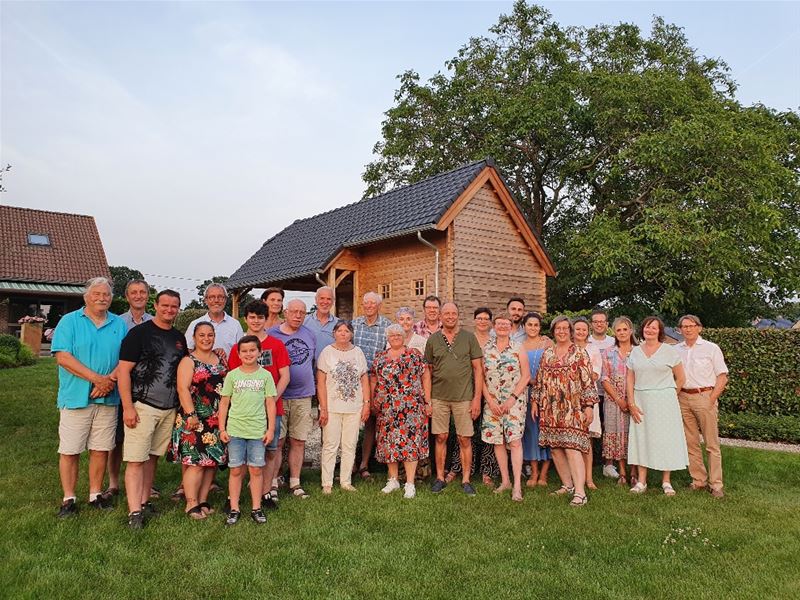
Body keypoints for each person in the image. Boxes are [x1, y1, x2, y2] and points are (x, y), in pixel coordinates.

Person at [51, 277, 127, 517]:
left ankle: (95, 494)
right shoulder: (70, 321)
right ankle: (69, 499)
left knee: (101, 448)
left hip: (108, 397)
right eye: (97, 294)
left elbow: (125, 359)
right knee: (71, 449)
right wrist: (97, 379)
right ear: (86, 297)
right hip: (76, 397)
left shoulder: (118, 323)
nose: (102, 298)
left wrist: (108, 382)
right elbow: (63, 357)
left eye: (106, 295)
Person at [117, 290, 188, 529]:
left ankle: (145, 501)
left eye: (174, 306)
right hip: (142, 406)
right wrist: (128, 406)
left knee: (152, 458)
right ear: (155, 305)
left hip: (169, 409)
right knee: (136, 460)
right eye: (165, 305)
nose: (169, 310)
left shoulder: (179, 338)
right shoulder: (139, 334)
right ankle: (134, 512)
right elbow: (124, 371)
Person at [229, 301, 291, 510]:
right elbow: (232, 379)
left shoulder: (276, 345)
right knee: (243, 453)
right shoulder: (240, 347)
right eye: (252, 317)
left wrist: (271, 399)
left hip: (272, 408)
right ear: (246, 319)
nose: (256, 321)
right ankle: (236, 496)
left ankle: (265, 492)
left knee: (270, 450)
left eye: (260, 317)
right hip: (245, 412)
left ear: (267, 319)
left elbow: (285, 376)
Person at [532, 316, 598, 507]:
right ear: (553, 332)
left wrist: (589, 406)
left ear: (570, 331)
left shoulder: (579, 353)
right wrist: (536, 402)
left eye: (564, 328)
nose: (561, 332)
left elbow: (587, 381)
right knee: (555, 448)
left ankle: (580, 492)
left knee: (572, 447)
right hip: (550, 408)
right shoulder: (548, 353)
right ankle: (567, 485)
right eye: (557, 329)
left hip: (573, 408)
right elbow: (540, 379)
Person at [169, 322, 227, 519]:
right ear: (194, 337)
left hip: (215, 418)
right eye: (201, 335)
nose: (206, 339)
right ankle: (191, 504)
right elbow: (182, 388)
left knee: (211, 461)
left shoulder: (219, 359)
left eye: (210, 335)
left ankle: (203, 500)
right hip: (194, 417)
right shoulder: (188, 361)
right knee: (195, 462)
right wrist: (191, 414)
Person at [425, 302, 483, 496]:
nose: (450, 316)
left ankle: (466, 480)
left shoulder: (469, 338)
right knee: (441, 437)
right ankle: (440, 477)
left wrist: (476, 399)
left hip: (464, 397)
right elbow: (428, 371)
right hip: (439, 397)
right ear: (440, 316)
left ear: (459, 315)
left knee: (464, 438)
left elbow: (478, 369)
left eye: (453, 313)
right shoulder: (433, 340)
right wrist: (428, 400)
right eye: (446, 313)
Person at [627, 316, 688, 496]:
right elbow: (630, 379)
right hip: (641, 400)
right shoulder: (635, 352)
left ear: (660, 331)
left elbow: (681, 378)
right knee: (642, 438)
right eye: (647, 327)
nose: (650, 330)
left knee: (665, 439)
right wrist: (631, 402)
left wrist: (669, 395)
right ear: (642, 330)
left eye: (654, 328)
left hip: (665, 402)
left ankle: (666, 481)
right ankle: (641, 481)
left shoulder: (669, 351)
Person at [219, 336, 277, 525]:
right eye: (244, 351)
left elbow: (270, 403)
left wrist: (270, 429)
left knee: (256, 469)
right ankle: (234, 508)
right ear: (238, 353)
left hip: (257, 431)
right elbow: (224, 402)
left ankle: (256, 508)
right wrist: (222, 428)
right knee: (235, 470)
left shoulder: (265, 375)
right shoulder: (232, 375)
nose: (248, 354)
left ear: (259, 352)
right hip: (235, 429)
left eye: (252, 350)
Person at [105, 278, 153, 501]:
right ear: (127, 296)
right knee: (116, 439)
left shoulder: (154, 322)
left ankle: (145, 483)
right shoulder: (116, 323)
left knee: (145, 440)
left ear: (147, 295)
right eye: (133, 292)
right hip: (120, 385)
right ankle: (114, 483)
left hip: (146, 388)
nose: (138, 296)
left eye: (142, 292)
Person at [372, 324, 431, 499]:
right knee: (389, 443)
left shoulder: (414, 355)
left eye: (399, 334)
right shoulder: (380, 357)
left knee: (410, 444)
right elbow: (373, 377)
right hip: (387, 408)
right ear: (387, 338)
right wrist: (373, 401)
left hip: (411, 407)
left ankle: (410, 483)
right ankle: (393, 480)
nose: (396, 337)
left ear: (404, 336)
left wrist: (428, 400)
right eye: (392, 335)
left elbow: (426, 375)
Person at [675, 314, 728, 498]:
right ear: (680, 329)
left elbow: (722, 376)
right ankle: (698, 480)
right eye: (684, 326)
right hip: (683, 398)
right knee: (691, 442)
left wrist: (712, 398)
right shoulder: (676, 350)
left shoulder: (711, 348)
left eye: (691, 326)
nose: (688, 329)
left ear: (699, 328)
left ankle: (716, 484)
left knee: (711, 444)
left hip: (704, 396)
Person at [268, 298, 316, 499]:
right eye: (294, 312)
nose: (298, 316)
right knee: (277, 442)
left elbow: (313, 363)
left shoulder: (309, 334)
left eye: (302, 313)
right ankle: (273, 482)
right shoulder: (272, 334)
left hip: (303, 396)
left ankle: (295, 482)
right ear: (285, 312)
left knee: (298, 440)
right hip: (279, 396)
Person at [481, 313, 530, 502]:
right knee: (498, 442)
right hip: (492, 403)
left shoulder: (518, 347)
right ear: (494, 326)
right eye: (499, 324)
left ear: (511, 327)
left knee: (515, 441)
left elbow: (525, 376)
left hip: (514, 402)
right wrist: (490, 401)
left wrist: (512, 398)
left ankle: (517, 485)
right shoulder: (486, 349)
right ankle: (505, 481)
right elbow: (481, 378)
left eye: (506, 324)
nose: (502, 326)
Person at [317, 321, 371, 494]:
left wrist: (366, 404)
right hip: (332, 406)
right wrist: (323, 408)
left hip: (354, 407)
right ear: (334, 333)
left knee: (349, 444)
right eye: (339, 330)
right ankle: (327, 483)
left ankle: (346, 481)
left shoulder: (358, 353)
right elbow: (321, 382)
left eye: (346, 331)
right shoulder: (327, 352)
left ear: (351, 334)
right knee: (330, 445)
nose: (343, 334)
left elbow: (364, 379)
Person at [352, 291, 392, 481]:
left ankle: (364, 464)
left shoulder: (387, 326)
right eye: (365, 303)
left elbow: (388, 355)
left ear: (378, 306)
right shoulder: (354, 324)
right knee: (351, 422)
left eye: (372, 303)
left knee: (370, 424)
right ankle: (350, 463)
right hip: (354, 382)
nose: (368, 306)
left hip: (376, 382)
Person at [600, 317, 637, 486]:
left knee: (634, 435)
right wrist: (619, 399)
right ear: (614, 333)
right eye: (618, 330)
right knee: (617, 435)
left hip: (635, 399)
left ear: (631, 331)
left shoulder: (639, 351)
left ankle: (635, 472)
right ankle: (622, 472)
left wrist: (630, 400)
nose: (622, 333)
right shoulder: (608, 352)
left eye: (625, 329)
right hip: (613, 401)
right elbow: (604, 378)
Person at [520, 312, 553, 488]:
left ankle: (545, 473)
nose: (533, 328)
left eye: (536, 325)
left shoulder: (547, 343)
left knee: (545, 430)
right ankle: (533, 471)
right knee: (531, 431)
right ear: (524, 326)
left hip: (546, 392)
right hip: (526, 392)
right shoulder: (520, 345)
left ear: (540, 327)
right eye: (529, 325)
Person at [572, 317, 603, 490]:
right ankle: (574, 477)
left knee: (586, 439)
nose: (581, 332)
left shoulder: (593, 349)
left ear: (587, 331)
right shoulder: (567, 348)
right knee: (570, 439)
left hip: (588, 397)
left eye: (584, 329)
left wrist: (578, 377)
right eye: (577, 329)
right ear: (573, 331)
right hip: (569, 398)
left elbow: (595, 374)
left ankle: (589, 478)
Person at [587, 308, 617, 479]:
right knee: (589, 427)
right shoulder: (586, 341)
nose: (599, 324)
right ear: (592, 325)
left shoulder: (613, 342)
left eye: (602, 321)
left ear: (607, 324)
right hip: (591, 392)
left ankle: (609, 464)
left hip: (610, 392)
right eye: (596, 321)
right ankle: (587, 461)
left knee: (609, 428)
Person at [185, 283, 244, 358]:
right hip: (202, 369)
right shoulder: (195, 324)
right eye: (212, 297)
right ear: (206, 300)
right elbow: (188, 352)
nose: (216, 300)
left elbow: (242, 351)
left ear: (225, 300)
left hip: (230, 369)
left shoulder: (235, 325)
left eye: (220, 297)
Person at [304, 286, 339, 362]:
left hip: (329, 370)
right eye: (322, 298)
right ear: (316, 300)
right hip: (308, 371)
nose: (325, 302)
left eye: (329, 299)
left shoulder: (339, 324)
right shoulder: (304, 321)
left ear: (333, 302)